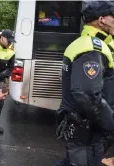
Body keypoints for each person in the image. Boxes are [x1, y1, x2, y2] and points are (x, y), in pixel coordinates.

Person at [55, 1, 114, 165]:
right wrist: (110, 123)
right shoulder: (92, 46)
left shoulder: (91, 43)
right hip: (87, 129)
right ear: (101, 19)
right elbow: (87, 94)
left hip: (84, 125)